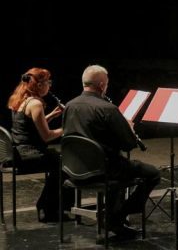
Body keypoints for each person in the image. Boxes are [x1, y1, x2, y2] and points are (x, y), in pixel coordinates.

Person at [62, 65, 161, 239]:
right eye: (106, 84)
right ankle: (116, 217)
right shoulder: (107, 108)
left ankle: (113, 214)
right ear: (101, 85)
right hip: (104, 170)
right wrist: (129, 128)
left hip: (74, 168)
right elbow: (128, 145)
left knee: (119, 165)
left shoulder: (70, 105)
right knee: (153, 174)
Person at [7, 68, 73, 222]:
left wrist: (50, 116)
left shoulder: (19, 99)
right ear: (38, 85)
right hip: (30, 155)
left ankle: (48, 206)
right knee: (67, 164)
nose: (49, 86)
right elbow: (46, 136)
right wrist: (68, 128)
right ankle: (49, 208)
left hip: (18, 152)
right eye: (47, 82)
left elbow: (28, 127)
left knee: (59, 161)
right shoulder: (36, 103)